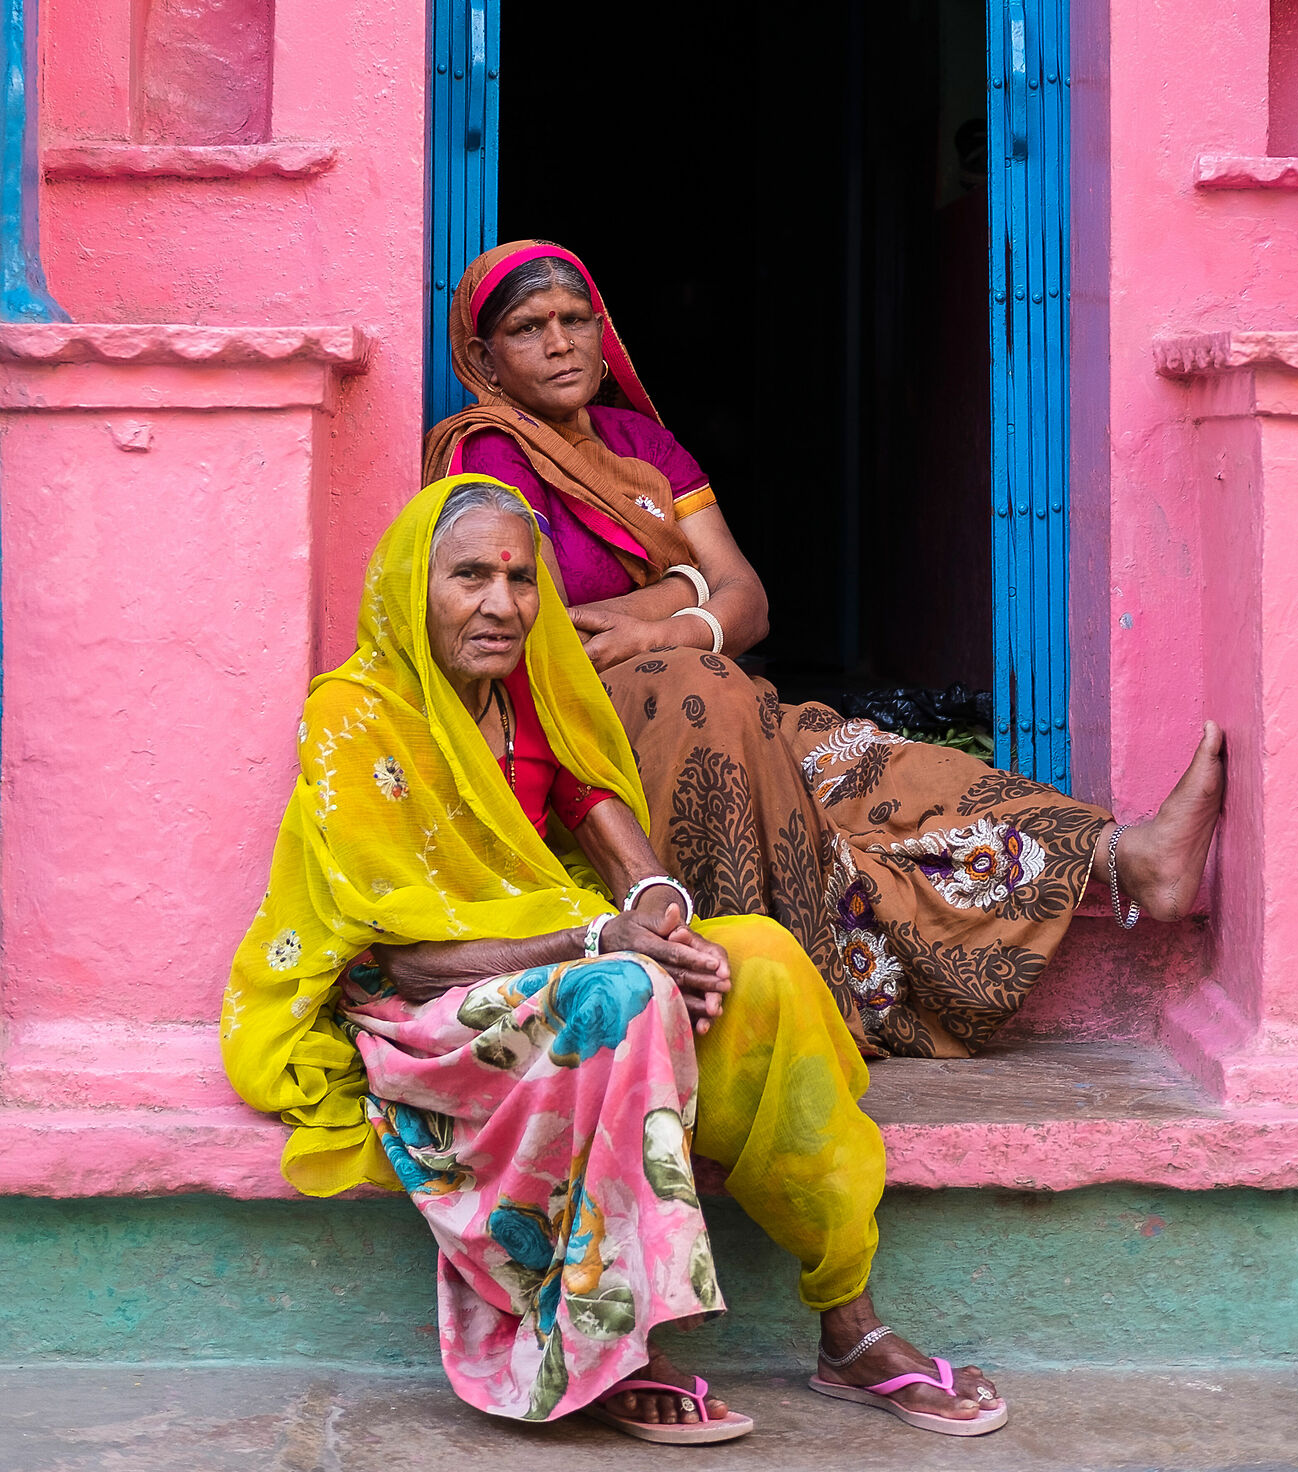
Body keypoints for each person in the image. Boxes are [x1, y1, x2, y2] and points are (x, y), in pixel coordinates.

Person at [222, 476, 1009, 1440]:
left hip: (558, 960)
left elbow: (599, 816)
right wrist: (604, 939)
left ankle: (847, 1322)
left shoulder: (529, 697)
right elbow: (409, 954)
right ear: (408, 586)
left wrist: (656, 905)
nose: (503, 605)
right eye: (470, 576)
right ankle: (611, 1339)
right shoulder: (357, 712)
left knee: (758, 956)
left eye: (522, 581)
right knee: (622, 991)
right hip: (421, 1003)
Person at [423, 245, 1226, 1061]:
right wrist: (683, 584)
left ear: (603, 332)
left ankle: (1128, 858)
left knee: (874, 767)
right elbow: (543, 624)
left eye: (574, 320)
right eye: (528, 329)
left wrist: (670, 614)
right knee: (708, 698)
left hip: (705, 687)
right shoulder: (483, 456)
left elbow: (749, 601)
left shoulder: (645, 449)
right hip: (596, 723)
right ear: (484, 359)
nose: (560, 343)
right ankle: (763, 1002)